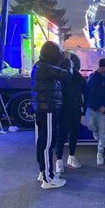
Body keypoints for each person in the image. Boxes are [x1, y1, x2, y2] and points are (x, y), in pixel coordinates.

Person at [31, 41, 73, 189]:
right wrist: (67, 59)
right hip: (48, 109)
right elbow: (67, 75)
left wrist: (61, 59)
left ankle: (43, 172)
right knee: (48, 144)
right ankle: (48, 179)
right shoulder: (45, 68)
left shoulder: (41, 65)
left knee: (43, 142)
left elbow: (57, 71)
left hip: (42, 108)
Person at [56, 53, 88, 173]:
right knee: (62, 135)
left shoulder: (76, 75)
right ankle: (58, 160)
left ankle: (71, 156)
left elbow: (85, 88)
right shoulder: (59, 74)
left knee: (74, 133)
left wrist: (84, 109)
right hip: (63, 108)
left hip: (75, 108)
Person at [85, 58, 105, 165]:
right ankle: (94, 130)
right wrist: (96, 74)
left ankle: (100, 153)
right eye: (101, 67)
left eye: (104, 67)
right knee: (89, 124)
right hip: (91, 107)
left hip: (103, 111)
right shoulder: (94, 76)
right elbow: (88, 87)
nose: (103, 70)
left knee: (102, 133)